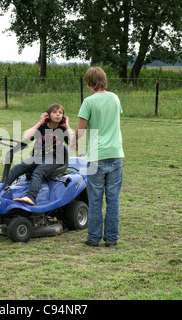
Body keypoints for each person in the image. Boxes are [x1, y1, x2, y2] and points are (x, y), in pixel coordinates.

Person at [0, 103, 74, 206]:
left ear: (63, 117)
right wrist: (39, 122)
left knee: (38, 172)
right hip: (38, 157)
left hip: (55, 159)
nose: (58, 114)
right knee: (17, 168)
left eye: (60, 113)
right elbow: (26, 137)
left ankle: (31, 197)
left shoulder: (62, 130)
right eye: (54, 112)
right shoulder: (42, 127)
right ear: (47, 115)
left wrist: (67, 125)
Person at [74, 67, 124, 247]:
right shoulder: (115, 98)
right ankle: (111, 238)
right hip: (116, 153)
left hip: (95, 155)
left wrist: (74, 140)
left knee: (95, 200)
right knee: (113, 200)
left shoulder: (88, 102)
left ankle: (93, 238)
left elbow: (80, 130)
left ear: (90, 83)